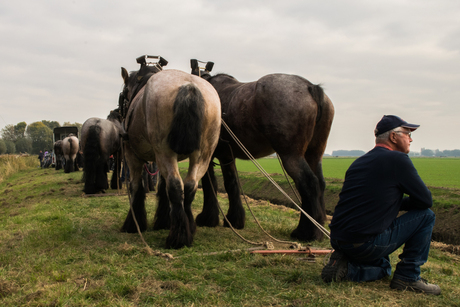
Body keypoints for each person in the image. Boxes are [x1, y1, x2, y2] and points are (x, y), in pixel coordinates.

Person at [321, 115, 441, 295]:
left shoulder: (359, 162)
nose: (411, 138)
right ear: (393, 137)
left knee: (384, 266)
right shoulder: (398, 160)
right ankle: (408, 277)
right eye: (407, 133)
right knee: (426, 215)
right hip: (365, 244)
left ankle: (345, 264)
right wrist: (399, 203)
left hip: (339, 239)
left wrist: (392, 202)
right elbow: (425, 201)